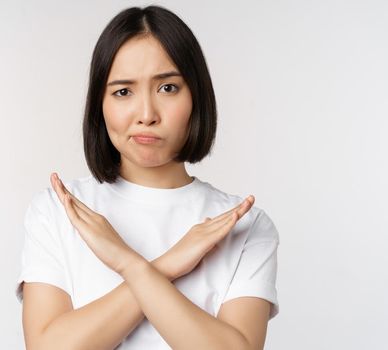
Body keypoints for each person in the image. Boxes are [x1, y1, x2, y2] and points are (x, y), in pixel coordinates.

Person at [14, 5, 280, 349]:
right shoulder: (59, 211)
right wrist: (167, 265)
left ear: (196, 96)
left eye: (167, 88)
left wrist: (129, 263)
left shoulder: (245, 226)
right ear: (100, 104)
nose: (146, 114)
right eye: (123, 91)